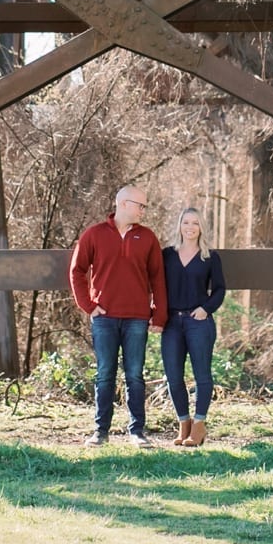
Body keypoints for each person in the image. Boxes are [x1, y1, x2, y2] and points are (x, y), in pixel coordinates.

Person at [69, 184, 167, 447]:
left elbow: (158, 278)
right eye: (140, 205)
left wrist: (159, 315)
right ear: (123, 203)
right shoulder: (94, 235)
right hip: (105, 317)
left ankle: (137, 431)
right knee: (105, 374)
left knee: (135, 374)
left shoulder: (147, 237)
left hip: (137, 317)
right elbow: (77, 271)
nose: (143, 210)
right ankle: (101, 431)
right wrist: (88, 306)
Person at [160, 206, 226, 448]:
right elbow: (155, 284)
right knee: (173, 377)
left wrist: (206, 309)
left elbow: (219, 289)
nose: (190, 227)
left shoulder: (209, 257)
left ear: (201, 228)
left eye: (195, 223)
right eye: (186, 222)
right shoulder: (166, 255)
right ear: (179, 225)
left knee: (202, 375)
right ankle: (183, 423)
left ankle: (199, 425)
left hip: (199, 322)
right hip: (171, 323)